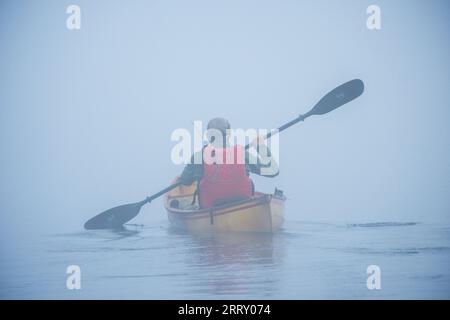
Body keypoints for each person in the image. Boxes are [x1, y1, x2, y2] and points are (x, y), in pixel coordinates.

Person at [179, 117, 279, 208]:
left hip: (210, 209)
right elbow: (273, 171)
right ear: (229, 134)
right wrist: (260, 147)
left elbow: (184, 181)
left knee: (185, 203)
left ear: (208, 135)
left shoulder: (198, 157)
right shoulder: (243, 154)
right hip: (243, 205)